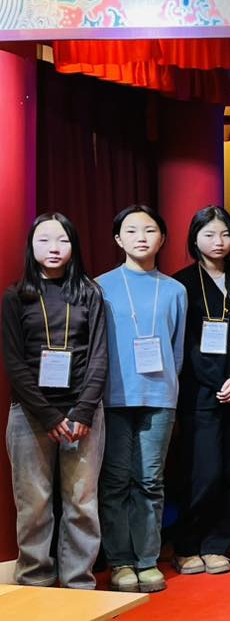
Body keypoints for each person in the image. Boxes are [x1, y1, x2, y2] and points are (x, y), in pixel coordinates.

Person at [3, 213, 108, 589]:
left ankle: (79, 583)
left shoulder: (91, 292)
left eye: (62, 240)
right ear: (31, 246)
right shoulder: (16, 296)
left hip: (83, 412)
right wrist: (48, 415)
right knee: (34, 503)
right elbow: (13, 362)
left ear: (73, 246)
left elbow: (99, 355)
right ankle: (35, 581)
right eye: (44, 240)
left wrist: (83, 410)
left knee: (82, 502)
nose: (53, 248)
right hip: (30, 414)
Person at [96, 204, 187, 593]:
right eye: (131, 231)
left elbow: (177, 350)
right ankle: (120, 561)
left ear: (162, 238)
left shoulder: (175, 290)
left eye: (149, 230)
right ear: (118, 239)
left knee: (150, 480)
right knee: (116, 481)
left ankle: (147, 560)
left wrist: (165, 383)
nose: (141, 238)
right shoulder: (99, 286)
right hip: (113, 399)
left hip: (159, 396)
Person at [170, 206, 230, 577]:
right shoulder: (181, 284)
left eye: (225, 234)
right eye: (209, 235)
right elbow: (183, 344)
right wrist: (217, 381)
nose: (218, 242)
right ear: (194, 239)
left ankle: (218, 544)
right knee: (202, 472)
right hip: (200, 393)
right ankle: (187, 545)